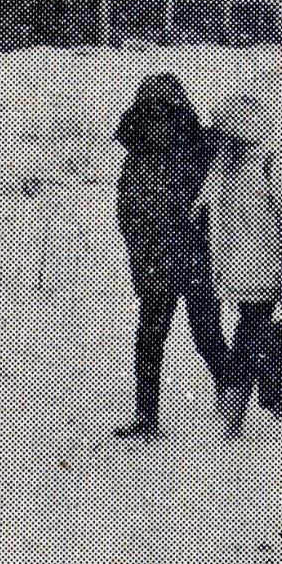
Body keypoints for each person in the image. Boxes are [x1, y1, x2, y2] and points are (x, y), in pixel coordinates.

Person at [195, 78, 282, 438]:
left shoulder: (273, 162)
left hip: (267, 268)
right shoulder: (225, 163)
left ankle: (234, 407)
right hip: (232, 266)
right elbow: (206, 205)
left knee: (251, 332)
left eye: (224, 131)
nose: (219, 138)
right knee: (250, 332)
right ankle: (244, 399)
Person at [112, 75, 228, 441]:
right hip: (174, 259)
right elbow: (127, 211)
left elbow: (128, 214)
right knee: (168, 336)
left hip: (184, 257)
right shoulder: (147, 156)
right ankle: (151, 414)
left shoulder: (194, 150)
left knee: (191, 335)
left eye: (167, 113)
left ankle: (228, 392)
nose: (163, 121)